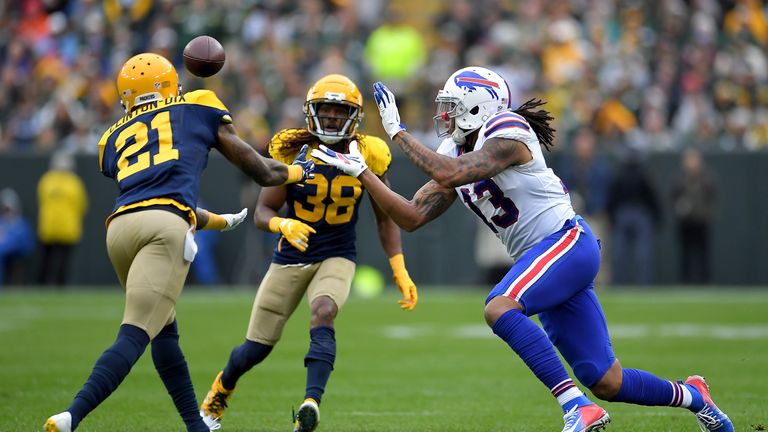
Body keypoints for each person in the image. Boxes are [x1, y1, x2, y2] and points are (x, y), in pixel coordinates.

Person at [313, 67, 734, 432]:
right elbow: (410, 217)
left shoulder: (508, 130)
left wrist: (398, 133)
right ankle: (694, 396)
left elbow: (451, 172)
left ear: (479, 107)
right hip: (545, 260)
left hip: (566, 242)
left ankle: (575, 407)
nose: (444, 116)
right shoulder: (452, 150)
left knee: (499, 306)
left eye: (453, 106)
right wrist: (364, 173)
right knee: (607, 379)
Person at [44, 52, 314, 432]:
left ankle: (196, 426)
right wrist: (302, 170)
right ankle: (72, 415)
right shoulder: (198, 103)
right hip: (163, 230)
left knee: (164, 331)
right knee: (135, 332)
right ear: (171, 85)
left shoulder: (112, 137)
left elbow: (153, 196)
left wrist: (219, 221)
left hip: (120, 229)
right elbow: (263, 171)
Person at [199, 74, 418, 432]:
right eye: (325, 109)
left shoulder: (369, 154)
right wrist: (282, 225)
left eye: (339, 110)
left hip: (337, 254)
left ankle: (310, 403)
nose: (331, 117)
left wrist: (399, 267)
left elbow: (386, 216)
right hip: (290, 256)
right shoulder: (291, 151)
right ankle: (222, 388)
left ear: (354, 116)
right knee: (255, 348)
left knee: (324, 311)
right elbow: (262, 212)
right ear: (311, 112)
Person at [36, 152, 88, 286]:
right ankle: (44, 286)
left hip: (64, 228)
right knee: (47, 260)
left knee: (61, 262)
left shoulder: (70, 182)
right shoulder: (50, 180)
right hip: (53, 227)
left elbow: (81, 205)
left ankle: (58, 287)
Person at [671, 148, 717, 284]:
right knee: (685, 253)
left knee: (704, 254)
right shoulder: (679, 178)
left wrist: (707, 212)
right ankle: (685, 282)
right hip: (685, 221)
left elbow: (713, 197)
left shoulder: (707, 177)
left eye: (694, 159)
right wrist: (678, 210)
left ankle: (705, 282)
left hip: (702, 220)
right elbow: (673, 198)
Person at [0, 188, 34, 286]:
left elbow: (26, 244)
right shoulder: (2, 223)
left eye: (9, 209)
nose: (8, 213)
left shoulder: (21, 224)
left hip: (17, 254)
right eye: (6, 209)